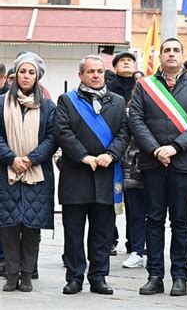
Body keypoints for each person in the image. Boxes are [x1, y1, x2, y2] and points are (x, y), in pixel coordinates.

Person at [130, 38, 187, 297]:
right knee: (153, 219)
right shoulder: (145, 86)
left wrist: (174, 147)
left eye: (176, 50)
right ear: (160, 56)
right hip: (153, 163)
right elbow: (136, 121)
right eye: (167, 50)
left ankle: (179, 276)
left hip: (183, 162)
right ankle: (155, 276)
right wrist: (156, 149)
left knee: (180, 220)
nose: (172, 54)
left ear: (182, 55)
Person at [55, 54, 129, 295]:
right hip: (76, 176)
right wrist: (84, 156)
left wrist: (111, 154)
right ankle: (75, 277)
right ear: (81, 75)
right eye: (90, 72)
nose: (96, 76)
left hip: (106, 176)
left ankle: (98, 277)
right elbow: (63, 132)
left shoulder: (117, 102)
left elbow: (124, 133)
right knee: (74, 233)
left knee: (102, 233)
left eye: (99, 71)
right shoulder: (67, 100)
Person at [0, 52, 56, 292]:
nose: (26, 76)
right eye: (22, 71)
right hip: (6, 171)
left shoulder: (48, 106)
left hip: (37, 173)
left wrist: (31, 159)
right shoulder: (1, 102)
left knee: (32, 226)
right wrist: (11, 158)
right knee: (9, 224)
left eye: (31, 72)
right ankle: (11, 274)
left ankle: (27, 274)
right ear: (14, 75)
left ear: (37, 77)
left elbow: (53, 137)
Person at [107, 51, 146, 268]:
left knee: (136, 205)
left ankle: (136, 245)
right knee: (111, 200)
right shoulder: (109, 87)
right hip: (114, 153)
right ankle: (110, 240)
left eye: (130, 60)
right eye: (122, 61)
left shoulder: (142, 85)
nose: (127, 63)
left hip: (136, 159)